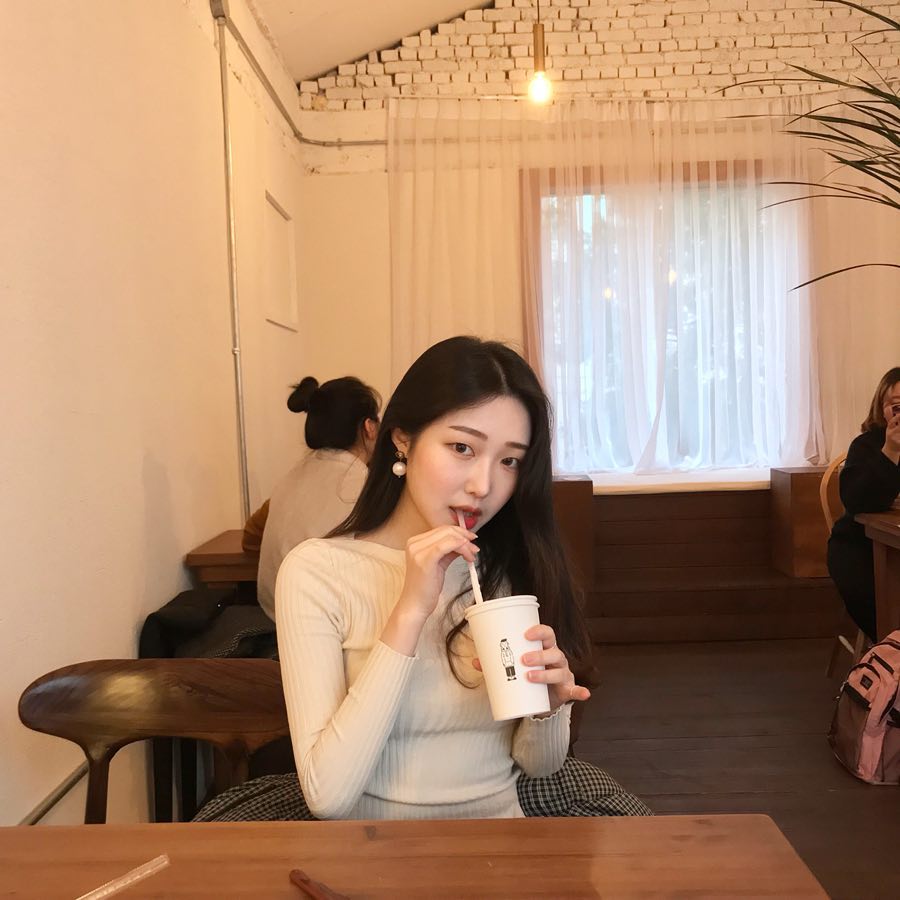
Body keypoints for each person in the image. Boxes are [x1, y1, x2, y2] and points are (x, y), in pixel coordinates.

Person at [276, 336, 594, 820]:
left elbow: (538, 766)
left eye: (509, 460)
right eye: (462, 447)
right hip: (374, 852)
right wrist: (410, 609)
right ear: (402, 439)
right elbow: (329, 797)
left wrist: (546, 710)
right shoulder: (317, 574)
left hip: (502, 844)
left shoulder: (507, 569)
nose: (483, 486)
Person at [256, 375, 380, 620]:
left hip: (272, 612)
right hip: (316, 620)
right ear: (369, 427)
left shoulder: (292, 476)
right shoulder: (362, 484)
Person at [827, 367, 900, 640]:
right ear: (882, 409)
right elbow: (856, 500)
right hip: (859, 545)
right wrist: (890, 452)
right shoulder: (866, 445)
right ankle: (889, 652)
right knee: (884, 606)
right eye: (897, 406)